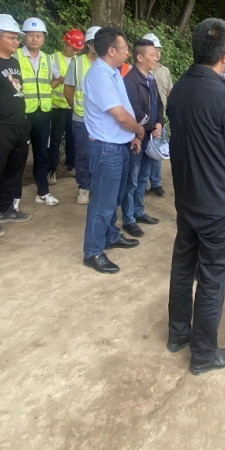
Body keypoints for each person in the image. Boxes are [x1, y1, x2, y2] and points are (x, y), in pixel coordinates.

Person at [167, 18, 225, 375]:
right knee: (213, 279)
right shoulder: (223, 96)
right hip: (217, 201)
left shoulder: (180, 88)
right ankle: (203, 354)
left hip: (187, 195)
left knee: (183, 267)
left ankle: (178, 334)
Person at [81, 28, 146, 274]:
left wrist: (132, 136)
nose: (127, 52)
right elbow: (119, 115)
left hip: (119, 145)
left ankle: (110, 235)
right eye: (124, 48)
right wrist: (139, 130)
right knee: (103, 202)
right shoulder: (99, 75)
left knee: (114, 198)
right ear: (111, 50)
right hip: (106, 148)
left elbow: (124, 108)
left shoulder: (113, 72)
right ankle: (93, 251)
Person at [0, 14, 32, 238]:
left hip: (19, 124)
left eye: (17, 38)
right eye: (12, 37)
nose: (16, 41)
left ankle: (6, 208)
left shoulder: (13, 61)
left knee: (14, 169)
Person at [17, 17, 63, 206]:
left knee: (42, 152)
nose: (34, 39)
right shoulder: (15, 56)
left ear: (44, 38)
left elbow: (58, 78)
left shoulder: (47, 58)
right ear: (24, 37)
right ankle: (13, 197)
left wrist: (45, 89)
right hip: (22, 113)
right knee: (17, 155)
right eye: (30, 35)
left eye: (38, 35)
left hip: (43, 112)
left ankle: (43, 192)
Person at [121, 39, 165, 237]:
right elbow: (134, 111)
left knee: (142, 178)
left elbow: (159, 104)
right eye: (152, 55)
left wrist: (159, 123)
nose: (156, 58)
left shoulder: (151, 79)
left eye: (156, 54)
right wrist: (148, 127)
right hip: (136, 137)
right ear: (140, 57)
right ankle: (128, 219)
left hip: (149, 137)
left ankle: (138, 212)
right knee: (131, 180)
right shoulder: (130, 81)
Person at [64, 26, 99, 205]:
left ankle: (97, 186)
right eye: (96, 42)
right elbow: (68, 91)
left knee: (100, 154)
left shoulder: (109, 64)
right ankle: (84, 187)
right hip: (81, 117)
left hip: (103, 120)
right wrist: (76, 108)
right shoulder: (77, 63)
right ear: (89, 44)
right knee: (83, 154)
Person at [49, 29, 83, 183]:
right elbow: (48, 83)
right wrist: (61, 80)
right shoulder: (53, 59)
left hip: (73, 107)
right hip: (56, 106)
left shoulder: (80, 61)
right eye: (73, 48)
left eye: (78, 49)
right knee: (55, 140)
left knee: (73, 138)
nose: (75, 51)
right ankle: (51, 170)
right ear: (65, 44)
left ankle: (71, 166)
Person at [145, 33, 172, 197]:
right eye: (154, 50)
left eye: (159, 50)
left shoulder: (165, 71)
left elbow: (168, 92)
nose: (157, 53)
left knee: (157, 153)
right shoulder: (139, 71)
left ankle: (156, 183)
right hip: (143, 120)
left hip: (159, 120)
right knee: (142, 154)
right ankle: (141, 185)